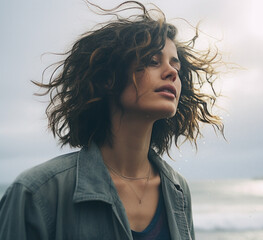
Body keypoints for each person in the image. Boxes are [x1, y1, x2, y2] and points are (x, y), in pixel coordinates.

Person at [0, 1, 223, 239]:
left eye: (174, 64)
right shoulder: (37, 193)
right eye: (153, 61)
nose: (172, 72)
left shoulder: (177, 190)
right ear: (108, 79)